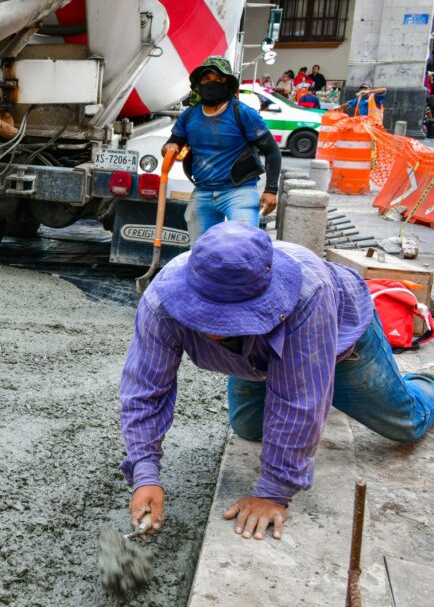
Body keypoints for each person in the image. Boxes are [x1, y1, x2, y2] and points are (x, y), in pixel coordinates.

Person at [121, 222, 434, 542]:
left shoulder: (309, 292)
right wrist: (144, 472)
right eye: (206, 316)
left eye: (229, 318)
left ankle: (427, 379)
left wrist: (273, 493)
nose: (215, 329)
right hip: (254, 360)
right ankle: (328, 397)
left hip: (338, 343)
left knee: (405, 424)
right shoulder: (162, 302)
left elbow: (300, 398)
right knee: (249, 428)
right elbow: (145, 391)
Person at [163, 56, 281, 239]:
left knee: (245, 244)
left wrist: (271, 189)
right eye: (206, 79)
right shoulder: (189, 116)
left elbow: (272, 151)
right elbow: (174, 142)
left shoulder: (242, 113)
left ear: (229, 84)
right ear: (198, 84)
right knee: (201, 252)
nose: (213, 84)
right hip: (202, 191)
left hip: (239, 191)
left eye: (219, 80)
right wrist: (169, 147)